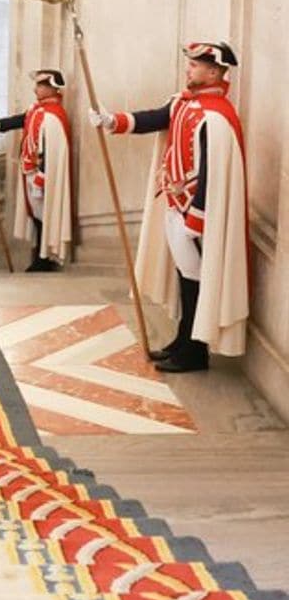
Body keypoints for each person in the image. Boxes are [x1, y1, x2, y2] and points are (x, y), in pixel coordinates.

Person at [89, 41, 248, 373]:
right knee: (185, 276)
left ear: (215, 71)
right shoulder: (184, 103)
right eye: (190, 63)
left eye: (195, 65)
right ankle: (183, 341)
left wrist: (197, 219)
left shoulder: (217, 117)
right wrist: (110, 120)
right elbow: (153, 119)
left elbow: (212, 175)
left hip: (194, 212)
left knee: (195, 278)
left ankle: (194, 352)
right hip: (175, 204)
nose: (188, 68)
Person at [0, 69, 71, 272]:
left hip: (41, 173)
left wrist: (42, 175)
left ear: (52, 87)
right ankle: (40, 254)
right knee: (36, 214)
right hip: (30, 170)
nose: (35, 89)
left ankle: (46, 256)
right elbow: (17, 121)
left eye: (40, 85)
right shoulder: (36, 111)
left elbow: (51, 149)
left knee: (43, 213)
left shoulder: (54, 116)